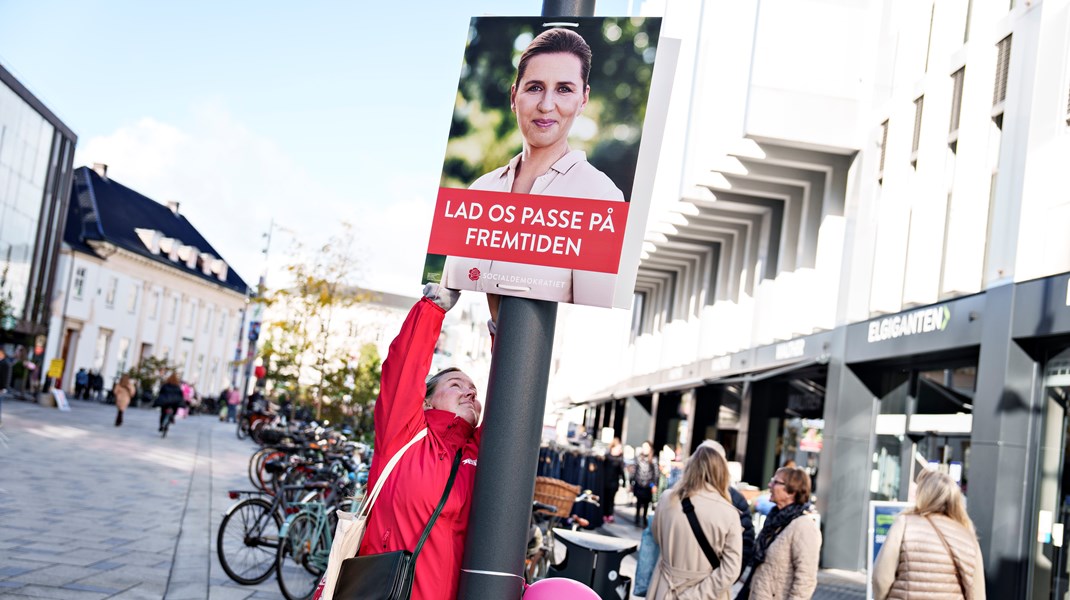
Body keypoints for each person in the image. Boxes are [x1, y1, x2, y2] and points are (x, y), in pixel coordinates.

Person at [314, 283, 481, 600]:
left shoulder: (477, 451)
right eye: (457, 385)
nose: (470, 392)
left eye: (474, 390)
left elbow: (512, 402)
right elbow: (403, 369)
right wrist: (434, 308)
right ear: (428, 401)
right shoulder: (406, 434)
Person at [440, 27, 625, 312]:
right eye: (535, 87)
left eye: (564, 89)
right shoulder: (480, 190)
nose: (546, 105)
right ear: (514, 96)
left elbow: (592, 316)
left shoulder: (601, 198)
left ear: (583, 100)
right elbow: (449, 292)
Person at [647, 443, 743, 600]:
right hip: (706, 592)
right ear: (722, 472)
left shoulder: (667, 499)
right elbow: (731, 569)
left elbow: (658, 537)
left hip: (665, 588)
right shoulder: (729, 513)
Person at [872, 469, 986, 600]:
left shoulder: (904, 524)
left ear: (923, 494)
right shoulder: (969, 540)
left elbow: (881, 579)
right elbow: (978, 596)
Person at [739, 467, 821, 600]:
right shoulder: (774, 520)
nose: (769, 485)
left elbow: (806, 579)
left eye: (776, 482)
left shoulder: (804, 526)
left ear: (791, 491)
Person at [700, 440, 756, 571]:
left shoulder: (735, 499)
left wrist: (725, 580)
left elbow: (745, 545)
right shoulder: (679, 495)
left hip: (713, 577)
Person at [633, 440, 659, 528]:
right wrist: (632, 482)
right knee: (638, 503)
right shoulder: (639, 458)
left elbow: (656, 473)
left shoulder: (654, 459)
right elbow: (635, 471)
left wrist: (654, 485)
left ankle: (644, 519)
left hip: (648, 485)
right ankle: (636, 519)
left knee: (646, 504)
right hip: (639, 483)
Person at [602, 438, 625, 523]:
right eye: (618, 448)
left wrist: (624, 482)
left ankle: (610, 514)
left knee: (611, 499)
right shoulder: (607, 457)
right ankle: (604, 514)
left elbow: (622, 471)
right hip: (605, 481)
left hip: (614, 483)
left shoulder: (620, 459)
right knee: (605, 498)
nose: (620, 450)